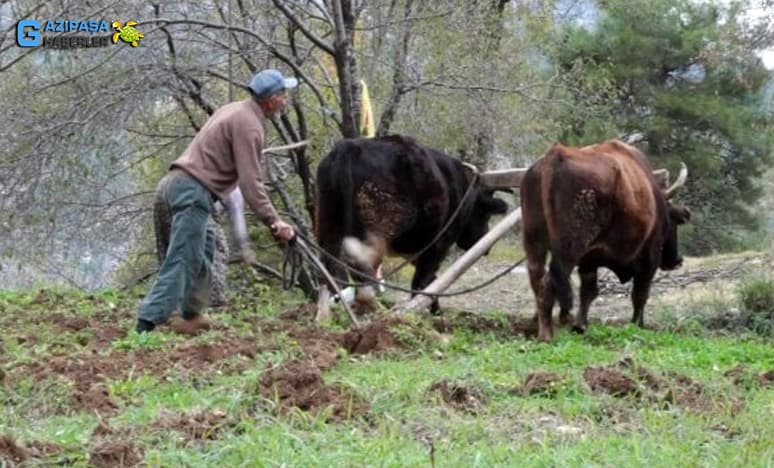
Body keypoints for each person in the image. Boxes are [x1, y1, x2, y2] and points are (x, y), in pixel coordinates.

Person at [136, 69, 297, 335]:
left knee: (206, 249)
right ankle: (145, 324)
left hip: (177, 184)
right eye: (283, 94)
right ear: (270, 99)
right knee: (183, 258)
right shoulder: (250, 125)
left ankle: (191, 315)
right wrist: (275, 221)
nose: (286, 99)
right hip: (192, 191)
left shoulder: (235, 109)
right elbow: (250, 183)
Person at [153, 186, 254, 308]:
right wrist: (244, 247)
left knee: (171, 253)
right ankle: (213, 302)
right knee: (218, 249)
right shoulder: (233, 189)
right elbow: (238, 220)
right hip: (194, 205)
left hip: (164, 193)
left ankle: (165, 303)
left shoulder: (203, 170)